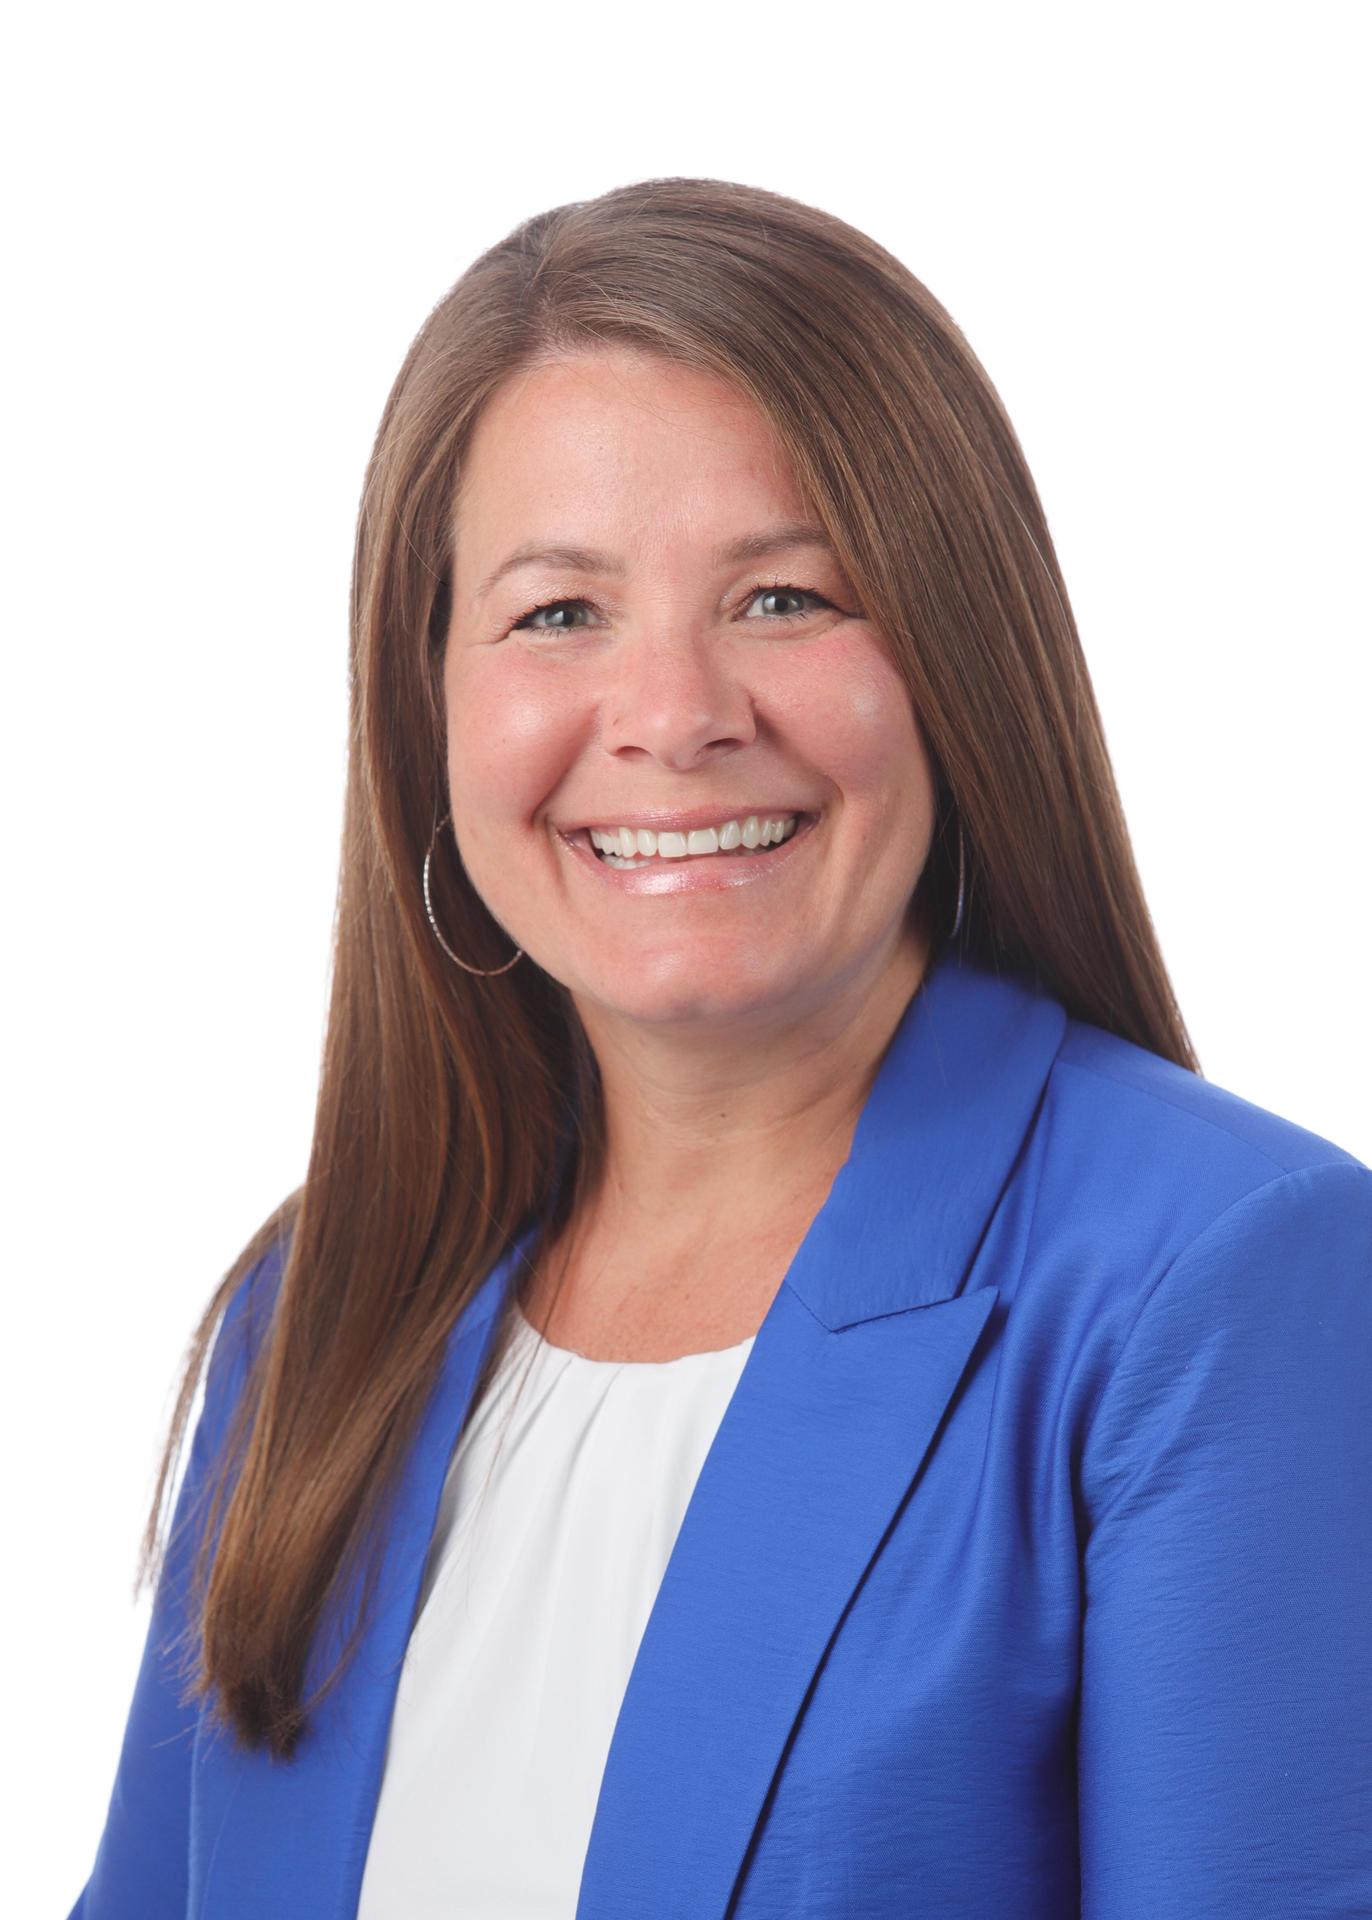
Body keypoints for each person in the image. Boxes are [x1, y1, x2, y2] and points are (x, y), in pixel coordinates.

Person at [69, 177, 1370, 1919]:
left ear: (955, 662)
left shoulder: (1222, 1287)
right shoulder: (315, 1310)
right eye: (556, 614)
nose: (675, 717)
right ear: (429, 707)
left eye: (784, 599)